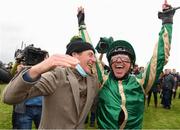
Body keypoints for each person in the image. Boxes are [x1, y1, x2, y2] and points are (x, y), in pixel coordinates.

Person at [2, 8, 99, 129]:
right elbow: (9, 97)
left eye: (94, 56)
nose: (94, 59)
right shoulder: (57, 75)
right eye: (90, 54)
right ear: (75, 55)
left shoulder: (92, 80)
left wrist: (81, 23)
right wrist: (36, 70)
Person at [96, 2, 177, 129]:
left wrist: (167, 21)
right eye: (115, 58)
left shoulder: (141, 82)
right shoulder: (103, 80)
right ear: (110, 63)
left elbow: (159, 58)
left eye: (124, 58)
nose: (118, 61)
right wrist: (81, 23)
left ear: (131, 65)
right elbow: (90, 59)